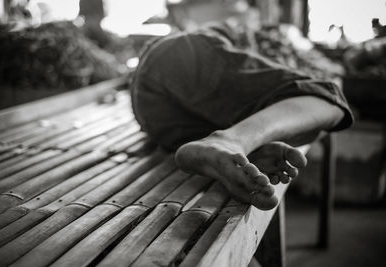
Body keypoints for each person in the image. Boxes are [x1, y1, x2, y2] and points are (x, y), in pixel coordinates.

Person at [131, 23, 353, 210]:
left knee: (311, 123)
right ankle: (231, 139)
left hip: (159, 118)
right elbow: (319, 92)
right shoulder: (248, 39)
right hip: (178, 56)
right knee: (328, 99)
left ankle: (242, 147)